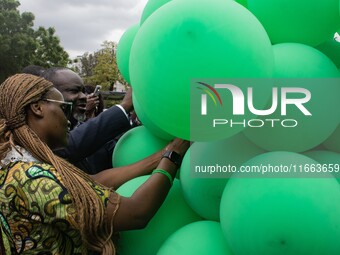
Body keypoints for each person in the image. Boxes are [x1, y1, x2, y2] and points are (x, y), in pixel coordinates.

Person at [0, 73, 190, 254]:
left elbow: (93, 181)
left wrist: (160, 157)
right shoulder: (36, 180)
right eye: (64, 108)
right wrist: (174, 155)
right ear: (37, 108)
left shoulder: (18, 168)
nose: (69, 119)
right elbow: (136, 212)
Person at [42, 67, 133, 173]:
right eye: (74, 91)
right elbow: (70, 145)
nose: (84, 96)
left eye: (83, 91)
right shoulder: (43, 138)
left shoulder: (86, 130)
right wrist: (124, 106)